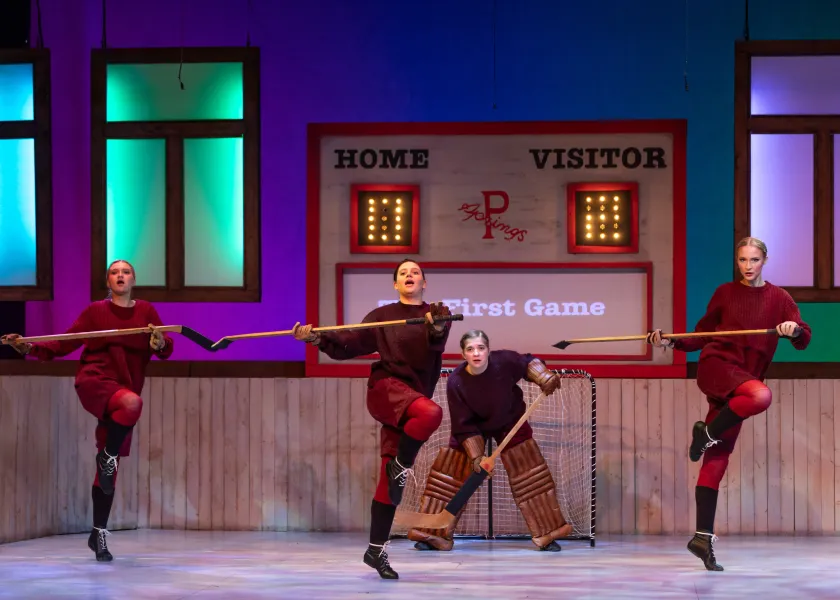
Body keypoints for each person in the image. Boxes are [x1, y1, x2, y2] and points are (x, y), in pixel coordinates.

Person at [646, 236, 811, 572]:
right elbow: (702, 334)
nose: (748, 267)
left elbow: (803, 337)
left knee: (718, 455)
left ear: (765, 260)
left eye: (754, 260)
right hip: (718, 367)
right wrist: (670, 340)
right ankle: (705, 433)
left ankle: (702, 537)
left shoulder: (780, 298)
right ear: (736, 261)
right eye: (742, 260)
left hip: (743, 383)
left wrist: (793, 330)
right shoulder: (725, 292)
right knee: (761, 396)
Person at [292, 258, 452, 580]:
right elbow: (348, 343)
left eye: (415, 272)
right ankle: (401, 466)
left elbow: (436, 338)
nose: (409, 275)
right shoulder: (382, 317)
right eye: (403, 273)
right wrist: (316, 339)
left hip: (413, 400)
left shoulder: (437, 313)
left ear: (424, 283)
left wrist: (436, 324)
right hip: (387, 390)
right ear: (395, 284)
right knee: (432, 413)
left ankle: (375, 549)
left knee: (390, 486)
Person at [4, 259, 174, 562]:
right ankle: (107, 456)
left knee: (109, 473)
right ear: (108, 281)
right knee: (131, 407)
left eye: (125, 272)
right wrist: (29, 347)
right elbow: (64, 343)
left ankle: (99, 535)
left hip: (125, 391)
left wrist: (160, 342)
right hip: (96, 381)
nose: (120, 276)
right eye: (114, 272)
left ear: (134, 279)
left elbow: (164, 348)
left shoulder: (146, 311)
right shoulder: (96, 311)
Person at [406, 330, 572, 552]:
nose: (476, 353)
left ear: (488, 350)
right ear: (463, 354)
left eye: (481, 348)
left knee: (531, 472)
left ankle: (549, 534)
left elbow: (527, 363)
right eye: (470, 349)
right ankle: (432, 534)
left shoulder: (504, 361)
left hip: (510, 420)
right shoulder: (456, 381)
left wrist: (543, 376)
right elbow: (463, 425)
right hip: (472, 428)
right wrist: (476, 457)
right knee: (449, 474)